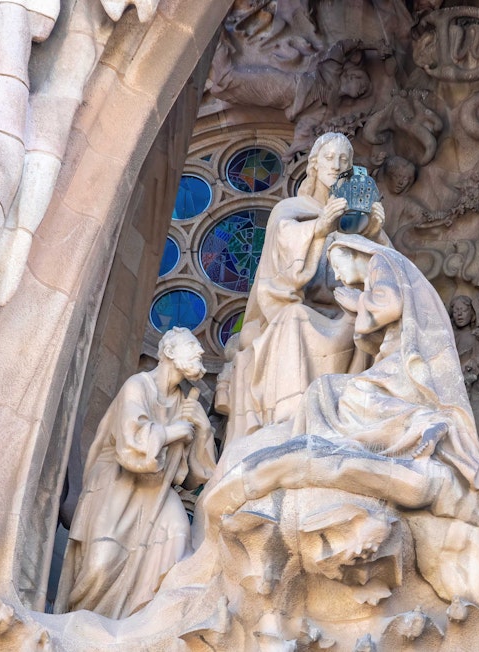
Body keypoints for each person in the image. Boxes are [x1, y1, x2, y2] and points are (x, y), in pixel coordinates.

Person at [294, 234, 479, 493]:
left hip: (408, 362)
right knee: (326, 390)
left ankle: (423, 423)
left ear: (350, 253)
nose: (339, 276)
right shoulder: (385, 269)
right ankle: (330, 452)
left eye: (337, 267)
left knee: (351, 394)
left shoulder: (380, 262)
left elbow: (390, 305)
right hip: (400, 360)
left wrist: (358, 303)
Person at [225, 133, 388, 444]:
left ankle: (348, 419)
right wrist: (318, 228)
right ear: (314, 164)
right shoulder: (291, 209)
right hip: (299, 309)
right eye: (329, 158)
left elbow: (383, 275)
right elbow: (282, 261)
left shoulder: (357, 218)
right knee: (294, 318)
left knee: (361, 323)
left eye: (344, 160)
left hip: (344, 310)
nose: (336, 165)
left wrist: (376, 235)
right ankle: (292, 413)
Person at [56, 328, 216, 618]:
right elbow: (130, 445)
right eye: (192, 346)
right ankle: (81, 633)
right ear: (168, 352)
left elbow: (193, 480)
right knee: (100, 567)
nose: (201, 352)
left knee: (179, 546)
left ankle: (144, 629)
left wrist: (203, 431)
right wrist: (171, 431)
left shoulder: (186, 403)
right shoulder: (138, 385)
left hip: (157, 491)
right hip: (117, 484)